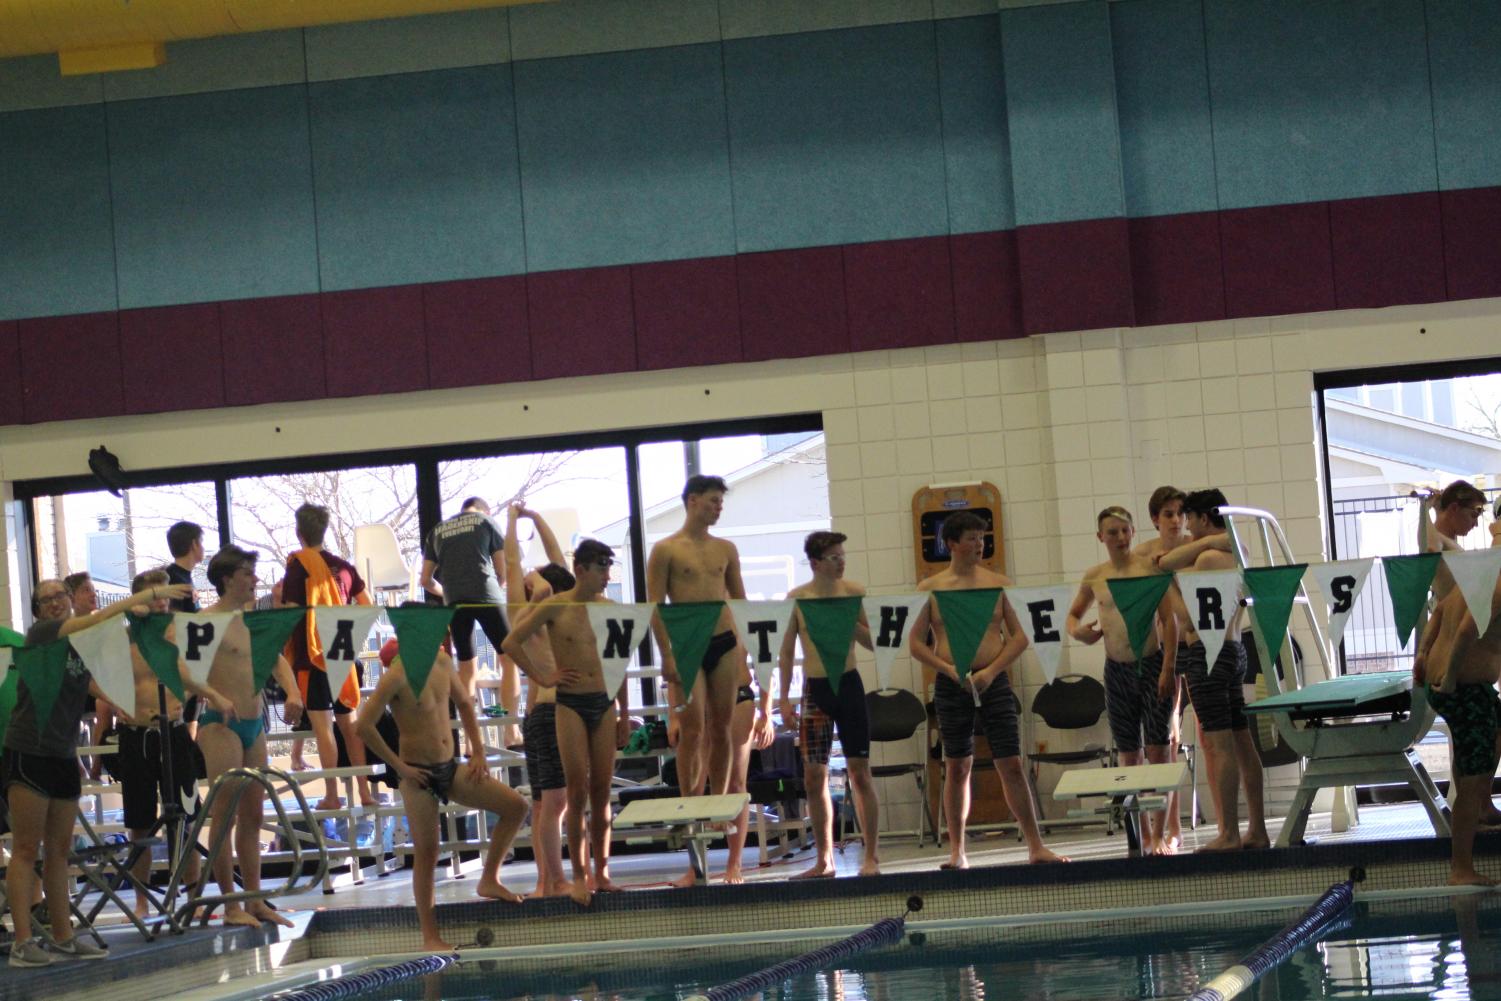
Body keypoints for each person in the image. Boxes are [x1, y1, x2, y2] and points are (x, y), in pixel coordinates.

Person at [6, 576, 192, 967]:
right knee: (26, 849)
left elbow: (84, 677)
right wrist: (148, 595)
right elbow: (99, 617)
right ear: (38, 610)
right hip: (29, 752)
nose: (56, 603)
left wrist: (116, 699)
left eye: (61, 596)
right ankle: (23, 943)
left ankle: (63, 937)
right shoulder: (43, 633)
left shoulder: (76, 642)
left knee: (59, 851)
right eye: (47, 599)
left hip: (61, 753)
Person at [357, 606, 535, 948]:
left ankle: (490, 878)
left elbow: (466, 704)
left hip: (451, 767)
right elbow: (363, 727)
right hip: (417, 776)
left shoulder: (441, 663)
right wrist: (400, 767)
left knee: (515, 806)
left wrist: (478, 751)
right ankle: (430, 936)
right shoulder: (395, 675)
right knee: (427, 851)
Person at [911, 512, 1065, 868]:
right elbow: (916, 644)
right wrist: (947, 669)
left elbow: (1021, 636)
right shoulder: (930, 589)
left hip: (994, 681)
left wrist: (993, 670)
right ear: (950, 543)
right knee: (957, 765)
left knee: (1010, 763)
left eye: (982, 538)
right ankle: (957, 851)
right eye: (971, 538)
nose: (979, 544)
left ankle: (1035, 846)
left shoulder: (998, 584)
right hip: (951, 683)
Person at [503, 539, 626, 900]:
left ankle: (601, 874)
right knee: (576, 791)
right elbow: (512, 643)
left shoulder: (611, 609)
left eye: (609, 567)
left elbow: (618, 666)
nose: (607, 574)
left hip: (604, 704)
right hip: (569, 704)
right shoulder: (555, 606)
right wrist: (543, 677)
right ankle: (577, 877)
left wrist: (626, 714)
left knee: (603, 792)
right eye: (601, 567)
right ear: (581, 570)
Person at [113, 570, 234, 918]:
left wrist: (202, 694)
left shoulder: (178, 636)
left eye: (166, 597)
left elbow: (199, 672)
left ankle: (194, 896)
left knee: (186, 815)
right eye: (156, 596)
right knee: (139, 821)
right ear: (138, 601)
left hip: (175, 732)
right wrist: (112, 699)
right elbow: (92, 675)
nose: (163, 603)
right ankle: (141, 900)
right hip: (137, 735)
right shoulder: (123, 640)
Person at [196, 546, 304, 928]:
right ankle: (230, 906)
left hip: (253, 724)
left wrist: (292, 692)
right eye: (248, 573)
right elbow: (186, 672)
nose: (255, 579)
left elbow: (275, 659)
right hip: (219, 726)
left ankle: (255, 900)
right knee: (223, 817)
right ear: (227, 579)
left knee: (254, 815)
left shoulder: (253, 622)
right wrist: (212, 695)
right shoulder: (204, 622)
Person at [646, 475, 746, 886]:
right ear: (691, 501)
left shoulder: (727, 549)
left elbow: (739, 600)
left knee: (721, 726)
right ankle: (690, 805)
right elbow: (652, 607)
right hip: (685, 644)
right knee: (693, 729)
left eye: (721, 502)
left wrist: (749, 649)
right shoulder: (665, 549)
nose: (718, 508)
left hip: (724, 639)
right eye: (712, 501)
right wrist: (667, 653)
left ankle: (718, 804)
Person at [1158, 488, 1270, 852]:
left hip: (1207, 654)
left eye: (1190, 519)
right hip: (1235, 650)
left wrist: (1166, 589)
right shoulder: (1240, 551)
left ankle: (1229, 834)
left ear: (1205, 518)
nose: (1187, 527)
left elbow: (1189, 617)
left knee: (1220, 747)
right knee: (1241, 741)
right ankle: (1257, 830)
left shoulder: (1206, 560)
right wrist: (1224, 536)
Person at [1067, 506, 1180, 854]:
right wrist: (1080, 633)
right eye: (1111, 532)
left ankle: (1160, 834)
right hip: (1116, 671)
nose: (1118, 537)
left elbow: (1170, 622)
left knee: (1159, 750)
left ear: (1133, 533)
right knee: (1129, 755)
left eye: (1123, 531)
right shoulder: (1095, 577)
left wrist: (1168, 669)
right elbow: (1072, 616)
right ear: (1100, 537)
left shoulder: (1149, 572)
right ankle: (1142, 834)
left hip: (1151, 665)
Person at [777, 531, 879, 878]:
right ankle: (825, 860)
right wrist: (783, 699)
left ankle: (871, 858)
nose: (842, 561)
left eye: (843, 556)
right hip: (814, 690)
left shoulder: (854, 594)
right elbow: (787, 651)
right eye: (834, 557)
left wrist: (848, 622)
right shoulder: (797, 599)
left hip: (849, 685)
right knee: (813, 775)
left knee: (860, 773)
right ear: (816, 563)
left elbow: (874, 643)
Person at [501, 504, 577, 899]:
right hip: (547, 714)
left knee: (547, 804)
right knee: (554, 802)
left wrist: (530, 517)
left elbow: (557, 557)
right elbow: (513, 562)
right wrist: (515, 522)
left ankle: (546, 880)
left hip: (542, 715)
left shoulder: (560, 608)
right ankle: (555, 880)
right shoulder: (525, 611)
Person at [280, 503, 375, 809]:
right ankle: (365, 793)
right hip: (344, 651)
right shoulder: (344, 568)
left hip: (313, 654)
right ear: (324, 530)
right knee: (350, 726)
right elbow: (367, 604)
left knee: (324, 729)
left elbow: (290, 614)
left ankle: (333, 795)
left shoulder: (298, 566)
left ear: (299, 532)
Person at [1413, 575, 1501, 885]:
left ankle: (1482, 806)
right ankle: (1461, 868)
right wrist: (1450, 677)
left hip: (1460, 687)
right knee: (1473, 773)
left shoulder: (1481, 571)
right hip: (1460, 687)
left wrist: (1422, 654)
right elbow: (1466, 629)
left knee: (1491, 731)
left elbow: (1438, 612)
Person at [420, 497, 509, 712]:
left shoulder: (437, 530)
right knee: (509, 660)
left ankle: (470, 740)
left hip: (455, 604)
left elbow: (425, 580)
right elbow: (502, 572)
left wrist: (447, 593)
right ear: (484, 511)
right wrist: (499, 587)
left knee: (467, 667)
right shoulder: (486, 522)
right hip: (487, 598)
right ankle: (511, 731)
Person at [1426, 479, 1488, 600]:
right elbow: (1431, 548)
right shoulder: (1438, 540)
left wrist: (1438, 508)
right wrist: (1425, 509)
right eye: (1473, 515)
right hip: (1452, 617)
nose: (1476, 524)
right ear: (1454, 508)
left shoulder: (1448, 541)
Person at [165, 521, 205, 613]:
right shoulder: (173, 579)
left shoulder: (179, 575)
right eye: (202, 542)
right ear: (194, 544)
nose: (204, 548)